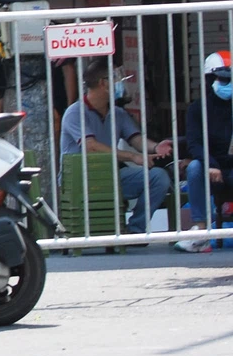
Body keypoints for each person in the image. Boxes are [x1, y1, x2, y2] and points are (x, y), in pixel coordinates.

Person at [57, 67, 172, 236]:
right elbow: (91, 146)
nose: (120, 84)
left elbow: (136, 140)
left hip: (111, 177)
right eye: (117, 80)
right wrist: (132, 157)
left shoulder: (118, 113)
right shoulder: (75, 112)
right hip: (81, 180)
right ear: (103, 83)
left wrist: (155, 147)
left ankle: (135, 230)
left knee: (158, 177)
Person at [177, 51, 233, 248]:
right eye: (222, 79)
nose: (227, 84)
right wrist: (211, 165)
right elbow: (194, 143)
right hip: (211, 169)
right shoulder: (198, 108)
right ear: (210, 79)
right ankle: (201, 230)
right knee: (194, 168)